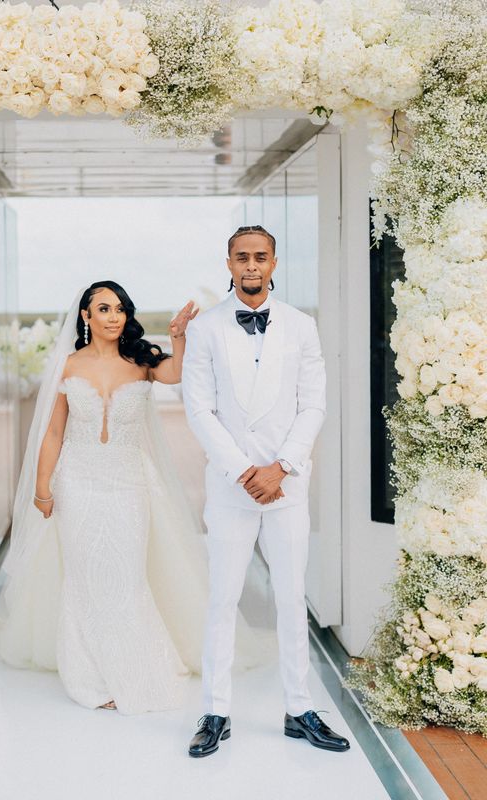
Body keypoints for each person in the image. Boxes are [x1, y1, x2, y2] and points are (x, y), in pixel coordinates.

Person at [0, 280, 266, 715]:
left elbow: (177, 374)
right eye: (104, 309)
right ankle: (89, 676)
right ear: (86, 317)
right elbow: (53, 432)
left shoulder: (142, 360)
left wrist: (178, 337)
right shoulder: (68, 366)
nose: (114, 316)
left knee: (127, 576)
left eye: (120, 309)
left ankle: (136, 667)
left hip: (128, 482)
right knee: (85, 576)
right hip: (77, 481)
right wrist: (43, 487)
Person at [183, 225, 350, 756]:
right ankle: (216, 711)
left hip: (286, 487)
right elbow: (199, 408)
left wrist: (281, 468)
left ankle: (300, 709)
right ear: (228, 263)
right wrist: (244, 471)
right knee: (222, 599)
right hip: (232, 488)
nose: (251, 266)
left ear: (275, 262)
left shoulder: (302, 326)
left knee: (289, 597)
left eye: (260, 257)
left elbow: (314, 405)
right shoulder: (206, 328)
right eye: (241, 257)